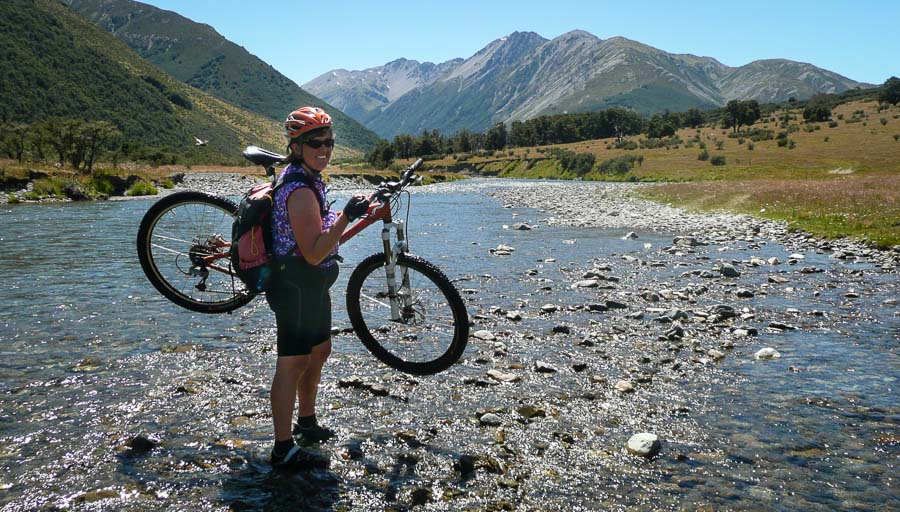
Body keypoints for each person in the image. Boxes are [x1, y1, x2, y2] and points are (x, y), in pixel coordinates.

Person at [266, 106, 370, 468]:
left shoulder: (312, 179)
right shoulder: (299, 190)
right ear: (296, 147)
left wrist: (347, 214)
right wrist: (347, 216)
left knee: (319, 351)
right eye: (315, 143)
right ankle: (282, 448)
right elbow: (312, 253)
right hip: (295, 284)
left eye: (329, 142)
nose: (324, 148)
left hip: (313, 286)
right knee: (292, 363)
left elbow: (321, 230)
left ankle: (306, 422)